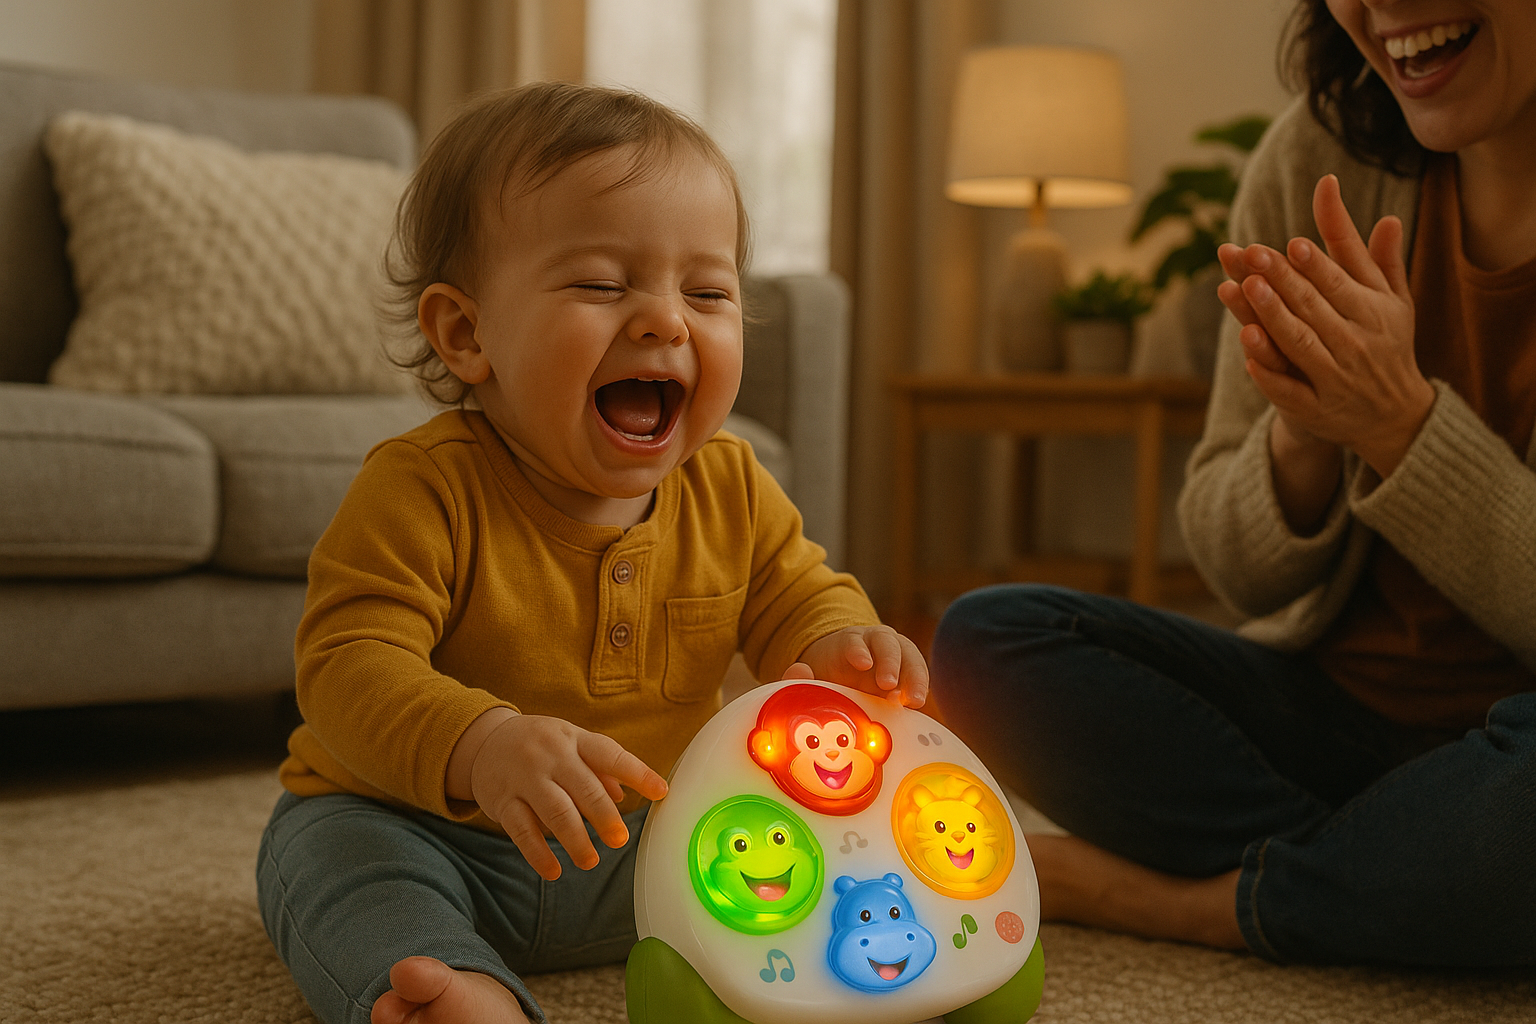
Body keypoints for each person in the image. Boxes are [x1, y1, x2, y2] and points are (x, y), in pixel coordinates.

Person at [255, 82, 929, 1024]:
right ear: (467, 333)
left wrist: (841, 645)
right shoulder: (422, 487)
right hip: (421, 830)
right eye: (604, 286)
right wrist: (479, 743)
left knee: (798, 856)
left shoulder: (730, 485)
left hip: (650, 846)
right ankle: (459, 993)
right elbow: (345, 666)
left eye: (707, 292)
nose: (666, 321)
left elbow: (799, 595)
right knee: (341, 875)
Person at [932, 0, 1536, 967]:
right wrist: (1303, 433)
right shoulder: (1318, 156)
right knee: (986, 639)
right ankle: (1391, 872)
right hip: (1330, 715)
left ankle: (1192, 903)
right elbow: (1237, 566)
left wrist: (1399, 427)